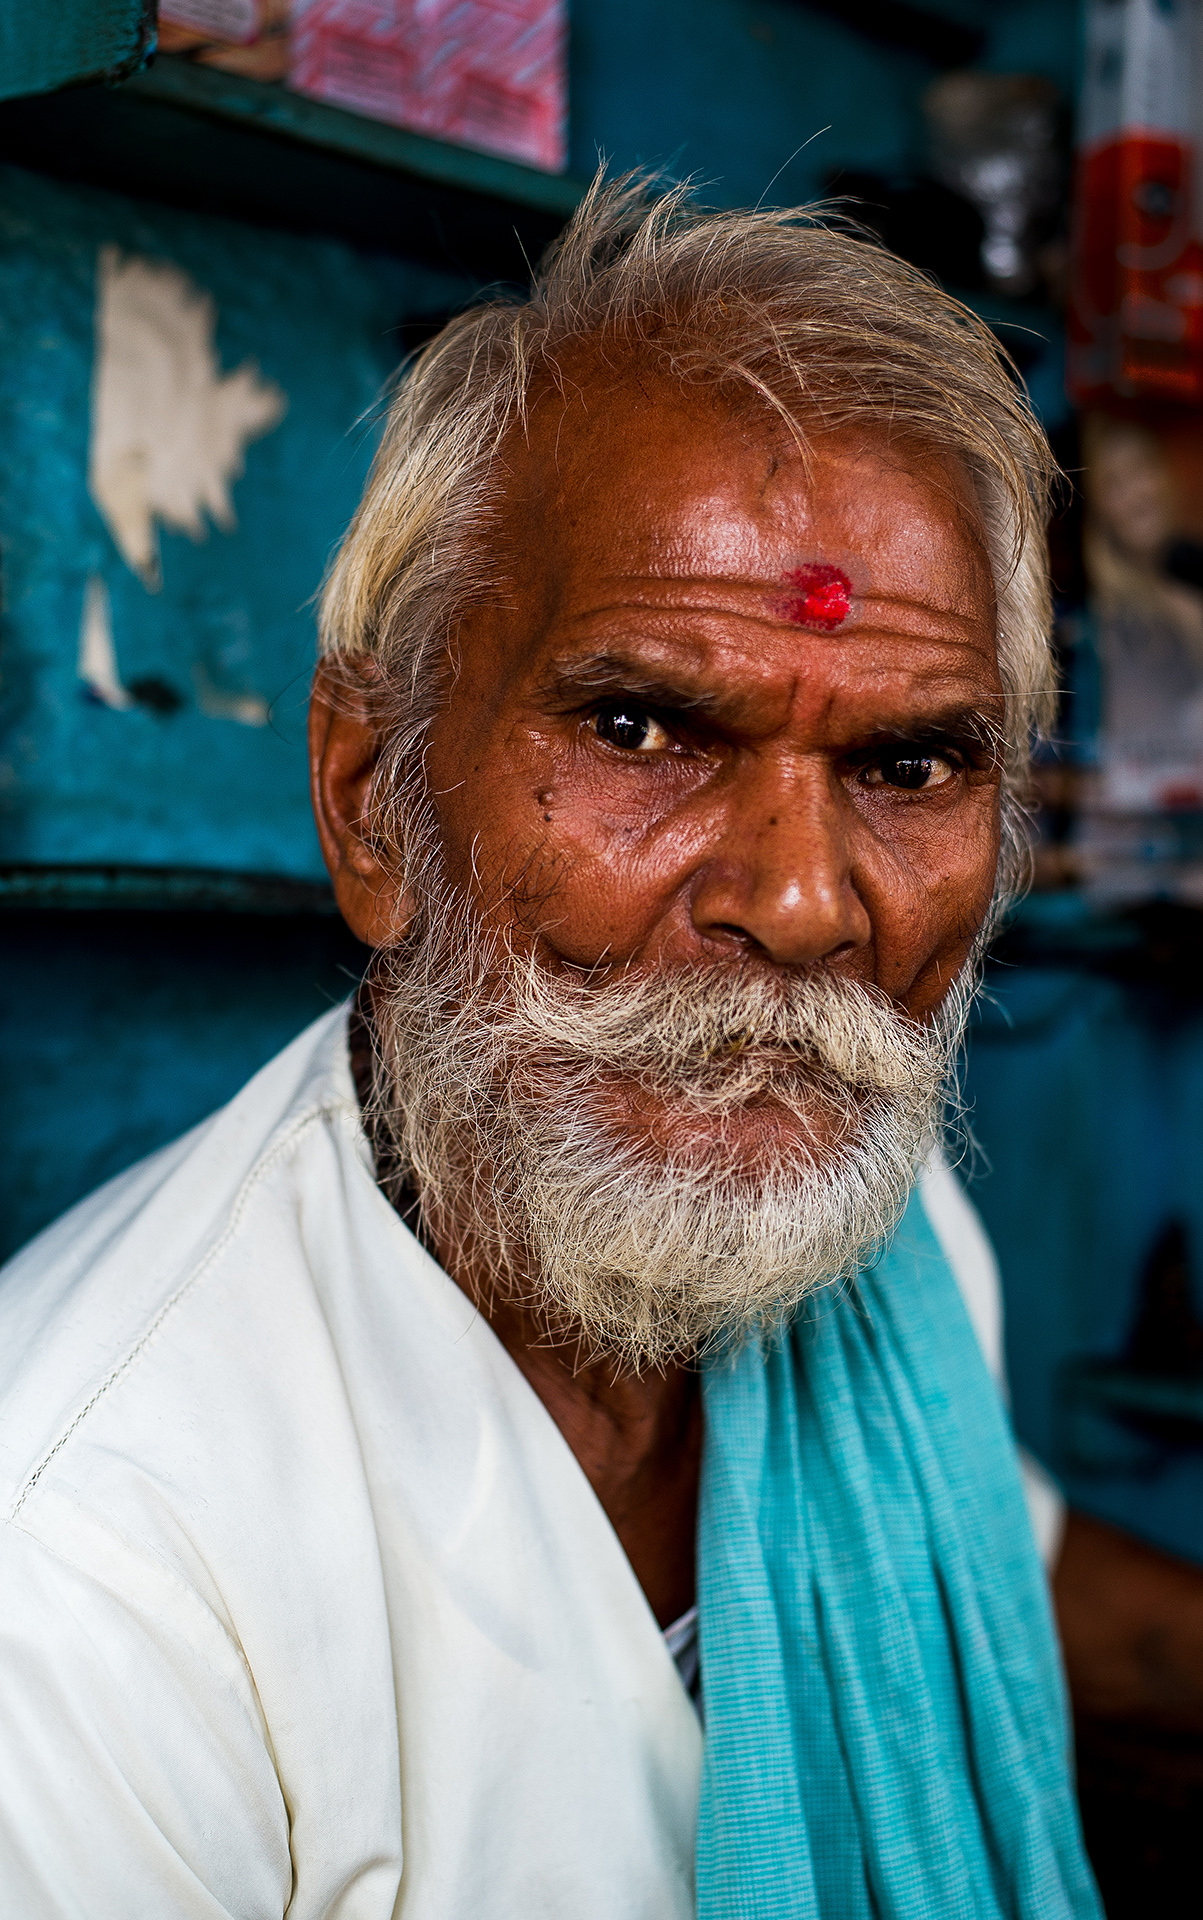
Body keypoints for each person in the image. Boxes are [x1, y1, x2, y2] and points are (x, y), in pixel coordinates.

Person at [0, 176, 1100, 1918]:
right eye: (644, 725)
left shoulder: (876, 1235)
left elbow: (1012, 1576)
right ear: (373, 801)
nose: (807, 903)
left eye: (909, 766)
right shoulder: (82, 1568)